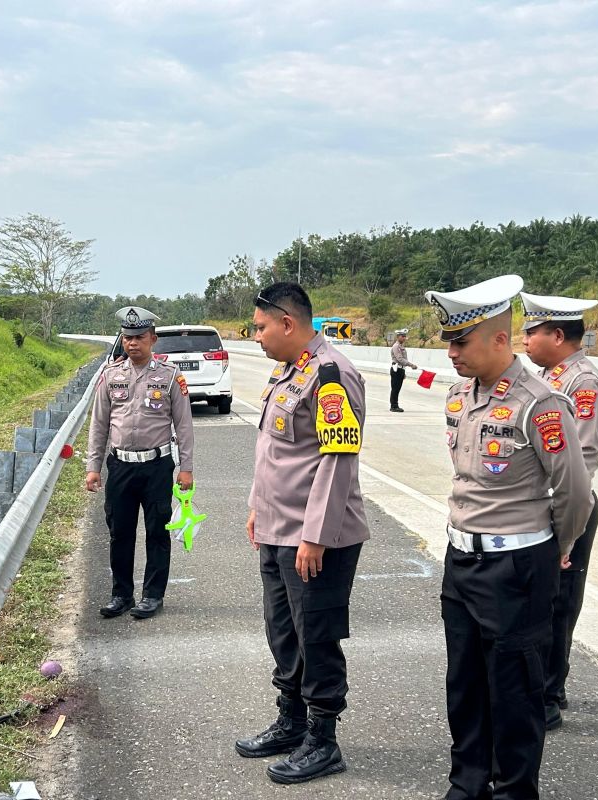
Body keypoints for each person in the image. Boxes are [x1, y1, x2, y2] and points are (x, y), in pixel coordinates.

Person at [425, 274, 591, 800]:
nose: (451, 352)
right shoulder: (459, 396)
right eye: (449, 341)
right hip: (462, 559)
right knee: (465, 686)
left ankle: (514, 791)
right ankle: (467, 785)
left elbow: (573, 494)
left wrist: (558, 549)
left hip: (517, 567)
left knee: (515, 692)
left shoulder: (540, 404)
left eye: (461, 341)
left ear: (499, 339)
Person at [236, 281, 369, 786]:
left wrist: (314, 535)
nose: (257, 336)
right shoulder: (289, 372)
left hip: (316, 538)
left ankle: (322, 738)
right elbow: (272, 450)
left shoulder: (333, 375)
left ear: (288, 324)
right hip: (276, 528)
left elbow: (337, 461)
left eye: (262, 327)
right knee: (283, 630)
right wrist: (256, 507)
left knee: (317, 637)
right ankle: (290, 721)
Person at [520, 292, 598, 731]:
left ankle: (549, 696)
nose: (524, 339)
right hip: (543, 506)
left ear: (558, 335)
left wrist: (567, 533)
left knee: (558, 603)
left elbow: (582, 462)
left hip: (567, 509)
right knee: (540, 601)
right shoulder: (548, 377)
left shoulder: (583, 383)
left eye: (531, 331)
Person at [85, 306, 195, 620]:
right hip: (119, 466)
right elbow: (99, 425)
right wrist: (93, 467)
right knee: (120, 532)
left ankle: (152, 595)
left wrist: (185, 468)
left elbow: (183, 425)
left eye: (139, 337)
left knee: (157, 532)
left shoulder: (171, 376)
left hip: (157, 467)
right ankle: (121, 594)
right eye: (128, 337)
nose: (133, 343)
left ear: (153, 339)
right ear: (122, 339)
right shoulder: (110, 376)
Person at [389, 328, 419, 412]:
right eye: (402, 336)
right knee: (395, 389)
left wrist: (403, 371)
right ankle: (394, 406)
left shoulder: (401, 346)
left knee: (397, 389)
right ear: (398, 337)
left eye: (405, 336)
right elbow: (400, 359)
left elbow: (402, 361)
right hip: (396, 370)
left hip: (400, 370)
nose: (404, 338)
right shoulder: (396, 346)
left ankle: (395, 405)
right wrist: (411, 365)